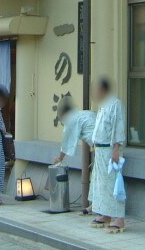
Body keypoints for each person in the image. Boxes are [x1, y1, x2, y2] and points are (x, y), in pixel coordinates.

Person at [89, 78, 126, 233]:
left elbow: (118, 126)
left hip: (110, 150)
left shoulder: (114, 104)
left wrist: (116, 149)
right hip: (99, 150)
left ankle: (119, 218)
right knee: (100, 184)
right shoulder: (102, 105)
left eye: (97, 89)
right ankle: (105, 214)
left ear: (103, 90)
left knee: (112, 184)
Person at [52, 96, 96, 164]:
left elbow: (66, 143)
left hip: (101, 145)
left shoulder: (70, 120)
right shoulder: (83, 114)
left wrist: (60, 158)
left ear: (64, 114)